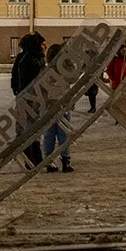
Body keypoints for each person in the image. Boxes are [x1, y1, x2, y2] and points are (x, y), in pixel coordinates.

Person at [11, 33, 46, 166]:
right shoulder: (26, 58)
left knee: (35, 129)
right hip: (27, 99)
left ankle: (36, 158)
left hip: (35, 99)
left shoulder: (38, 58)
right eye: (43, 44)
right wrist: (20, 93)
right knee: (26, 129)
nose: (45, 46)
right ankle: (30, 160)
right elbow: (19, 79)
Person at [42, 44, 74, 172]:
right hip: (63, 104)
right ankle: (65, 160)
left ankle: (49, 161)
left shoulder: (47, 70)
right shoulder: (66, 69)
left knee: (49, 134)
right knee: (63, 133)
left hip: (50, 105)